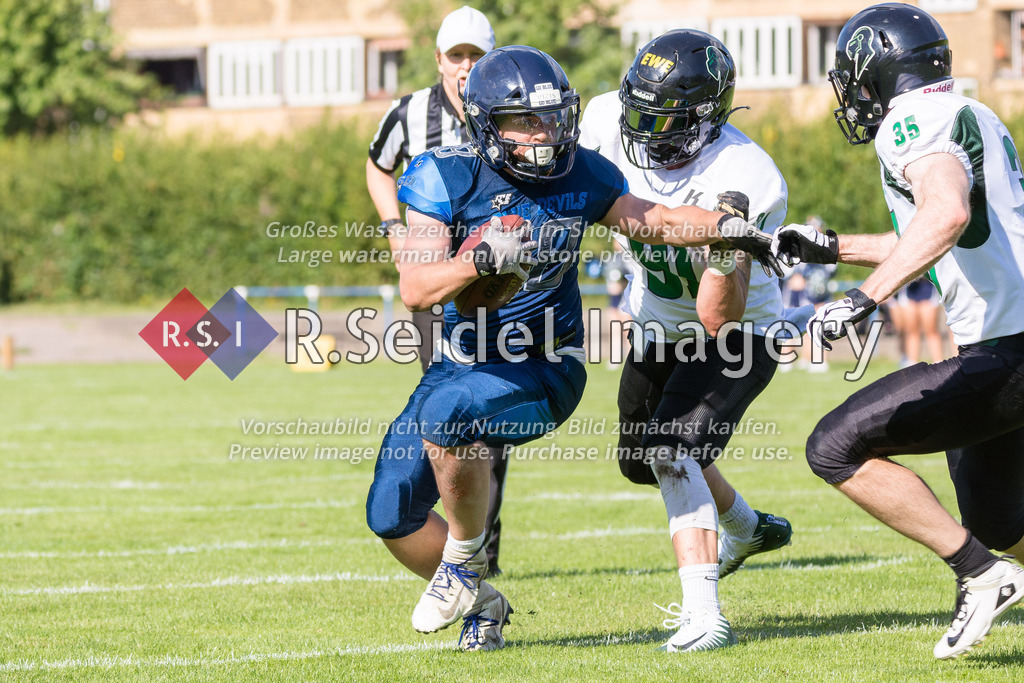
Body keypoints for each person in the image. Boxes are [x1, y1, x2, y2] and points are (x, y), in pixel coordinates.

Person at [365, 45, 780, 652]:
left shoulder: (581, 173)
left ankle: (461, 561)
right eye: (524, 120)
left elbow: (658, 219)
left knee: (448, 415)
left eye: (551, 117)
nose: (543, 133)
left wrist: (724, 228)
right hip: (460, 361)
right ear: (484, 123)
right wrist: (478, 261)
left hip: (544, 366)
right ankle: (484, 603)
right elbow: (416, 287)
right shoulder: (443, 174)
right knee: (389, 512)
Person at [772, 2, 1024, 660]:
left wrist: (863, 298)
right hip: (1009, 341)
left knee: (833, 447)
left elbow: (945, 214)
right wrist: (834, 249)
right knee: (998, 519)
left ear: (879, 73)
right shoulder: (971, 112)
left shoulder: (910, 120)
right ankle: (991, 560)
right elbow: (938, 231)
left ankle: (981, 576)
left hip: (1007, 349)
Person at [579, 29, 800, 652]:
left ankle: (704, 615)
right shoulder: (604, 118)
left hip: (739, 334)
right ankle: (747, 527)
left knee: (671, 448)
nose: (642, 130)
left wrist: (724, 246)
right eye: (638, 112)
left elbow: (717, 316)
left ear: (705, 117)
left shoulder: (747, 174)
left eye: (662, 119)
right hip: (656, 323)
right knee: (638, 462)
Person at [366, 6, 509, 576]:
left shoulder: (510, 110)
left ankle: (478, 546)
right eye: (457, 55)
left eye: (477, 55)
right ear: (439, 60)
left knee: (486, 415)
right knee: (444, 408)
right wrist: (393, 228)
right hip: (432, 286)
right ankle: (463, 546)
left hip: (494, 286)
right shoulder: (410, 113)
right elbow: (377, 166)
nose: (466, 66)